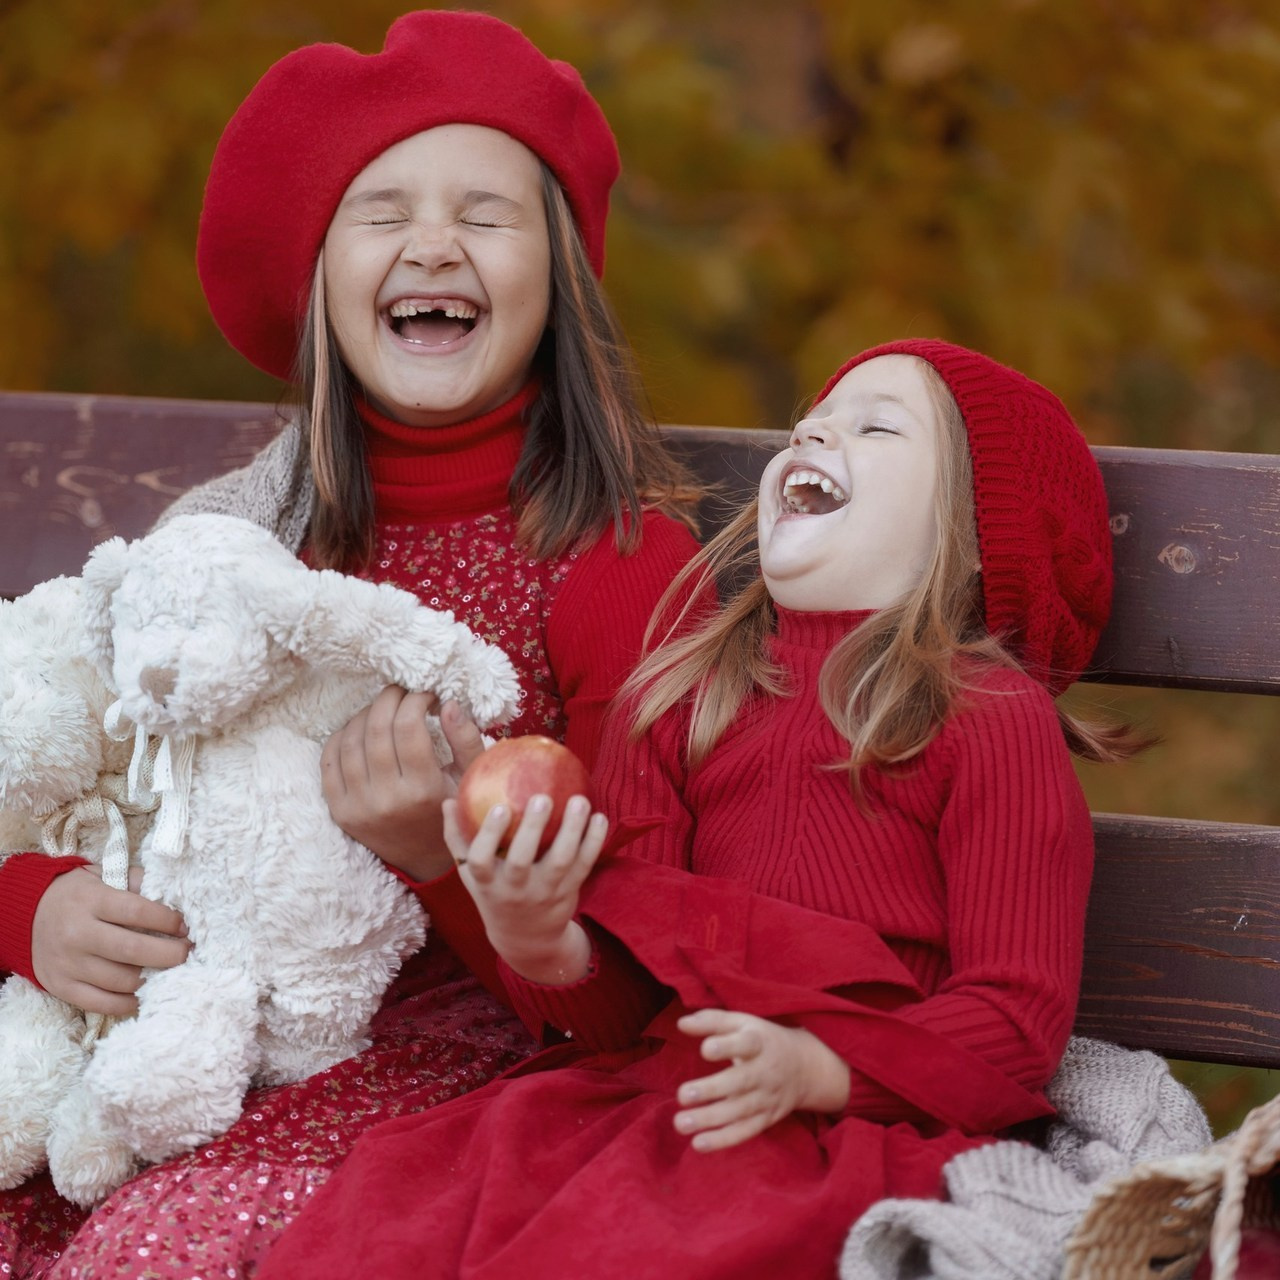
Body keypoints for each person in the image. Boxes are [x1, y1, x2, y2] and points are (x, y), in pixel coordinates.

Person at [0, 10, 703, 1278]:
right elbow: (58, 778)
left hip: (456, 1077)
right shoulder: (226, 546)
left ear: (559, 279)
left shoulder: (614, 569)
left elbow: (629, 1006)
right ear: (317, 275)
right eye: (381, 211)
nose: (432, 240)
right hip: (175, 1039)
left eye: (485, 213)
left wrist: (437, 854)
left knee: (157, 1251)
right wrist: (31, 909)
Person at [252, 338, 1148, 1280]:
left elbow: (1015, 1022)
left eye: (876, 426)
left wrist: (819, 1067)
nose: (815, 429)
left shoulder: (987, 718)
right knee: (392, 1221)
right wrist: (537, 935)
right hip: (653, 1104)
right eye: (812, 417)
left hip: (845, 1126)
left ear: (974, 537)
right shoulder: (681, 694)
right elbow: (619, 1013)